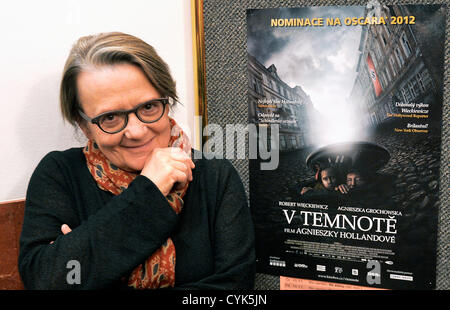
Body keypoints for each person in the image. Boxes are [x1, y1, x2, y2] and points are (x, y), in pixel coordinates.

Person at [18, 32, 255, 289]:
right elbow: (45, 279)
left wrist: (84, 256)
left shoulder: (215, 177)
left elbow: (235, 290)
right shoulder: (59, 174)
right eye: (110, 117)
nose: (137, 131)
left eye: (149, 107)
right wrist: (149, 190)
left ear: (168, 100)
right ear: (84, 126)